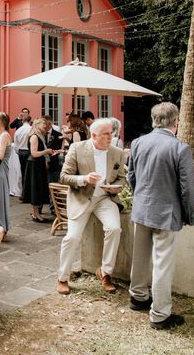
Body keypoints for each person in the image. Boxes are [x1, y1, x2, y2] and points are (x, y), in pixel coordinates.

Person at [127, 102, 194, 330]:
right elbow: (187, 188)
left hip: (141, 209)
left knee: (140, 256)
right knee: (162, 264)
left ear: (153, 120)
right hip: (166, 212)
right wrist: (189, 215)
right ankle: (159, 314)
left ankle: (137, 297)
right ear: (176, 122)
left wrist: (140, 199)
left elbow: (132, 177)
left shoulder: (137, 143)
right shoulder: (180, 148)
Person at [56, 118, 126, 295]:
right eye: (106, 134)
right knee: (71, 237)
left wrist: (115, 186)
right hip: (81, 198)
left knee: (114, 229)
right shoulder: (77, 148)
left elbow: (121, 177)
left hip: (104, 199)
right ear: (94, 135)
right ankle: (62, 277)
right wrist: (84, 179)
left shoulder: (117, 152)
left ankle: (105, 272)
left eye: (112, 133)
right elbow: (64, 176)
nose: (111, 137)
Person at [22, 117, 56, 223]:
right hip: (34, 165)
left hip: (37, 165)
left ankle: (36, 213)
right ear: (37, 125)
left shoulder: (40, 136)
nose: (45, 126)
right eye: (43, 124)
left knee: (37, 189)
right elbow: (34, 153)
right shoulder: (34, 137)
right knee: (35, 189)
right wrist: (46, 151)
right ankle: (36, 213)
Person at [13, 113, 32, 198]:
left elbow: (16, 146)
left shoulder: (18, 130)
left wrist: (19, 152)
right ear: (30, 120)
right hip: (29, 152)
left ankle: (23, 193)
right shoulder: (31, 129)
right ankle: (29, 193)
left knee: (23, 172)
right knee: (30, 173)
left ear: (22, 120)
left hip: (21, 152)